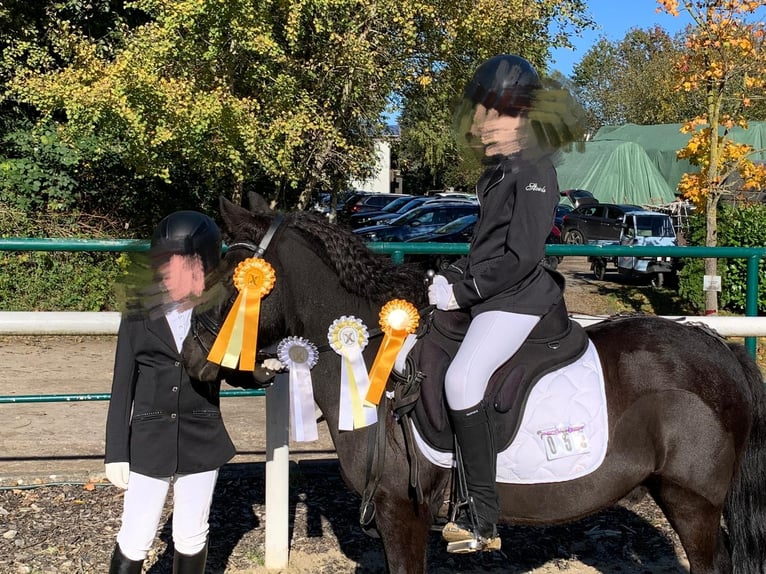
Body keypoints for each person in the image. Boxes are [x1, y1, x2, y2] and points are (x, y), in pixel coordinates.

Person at [428, 54, 582, 553]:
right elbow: (485, 246)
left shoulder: (535, 170)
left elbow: (521, 256)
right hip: (495, 291)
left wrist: (465, 292)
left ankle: (481, 516)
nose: (481, 126)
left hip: (517, 298)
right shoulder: (500, 171)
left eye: (493, 115)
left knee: (462, 378)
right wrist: (448, 276)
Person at [104, 210, 233, 573]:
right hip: (149, 437)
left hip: (202, 434)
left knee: (192, 533)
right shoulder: (137, 310)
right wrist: (116, 450)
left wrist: (264, 369)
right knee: (136, 534)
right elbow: (122, 383)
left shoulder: (218, 310)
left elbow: (235, 368)